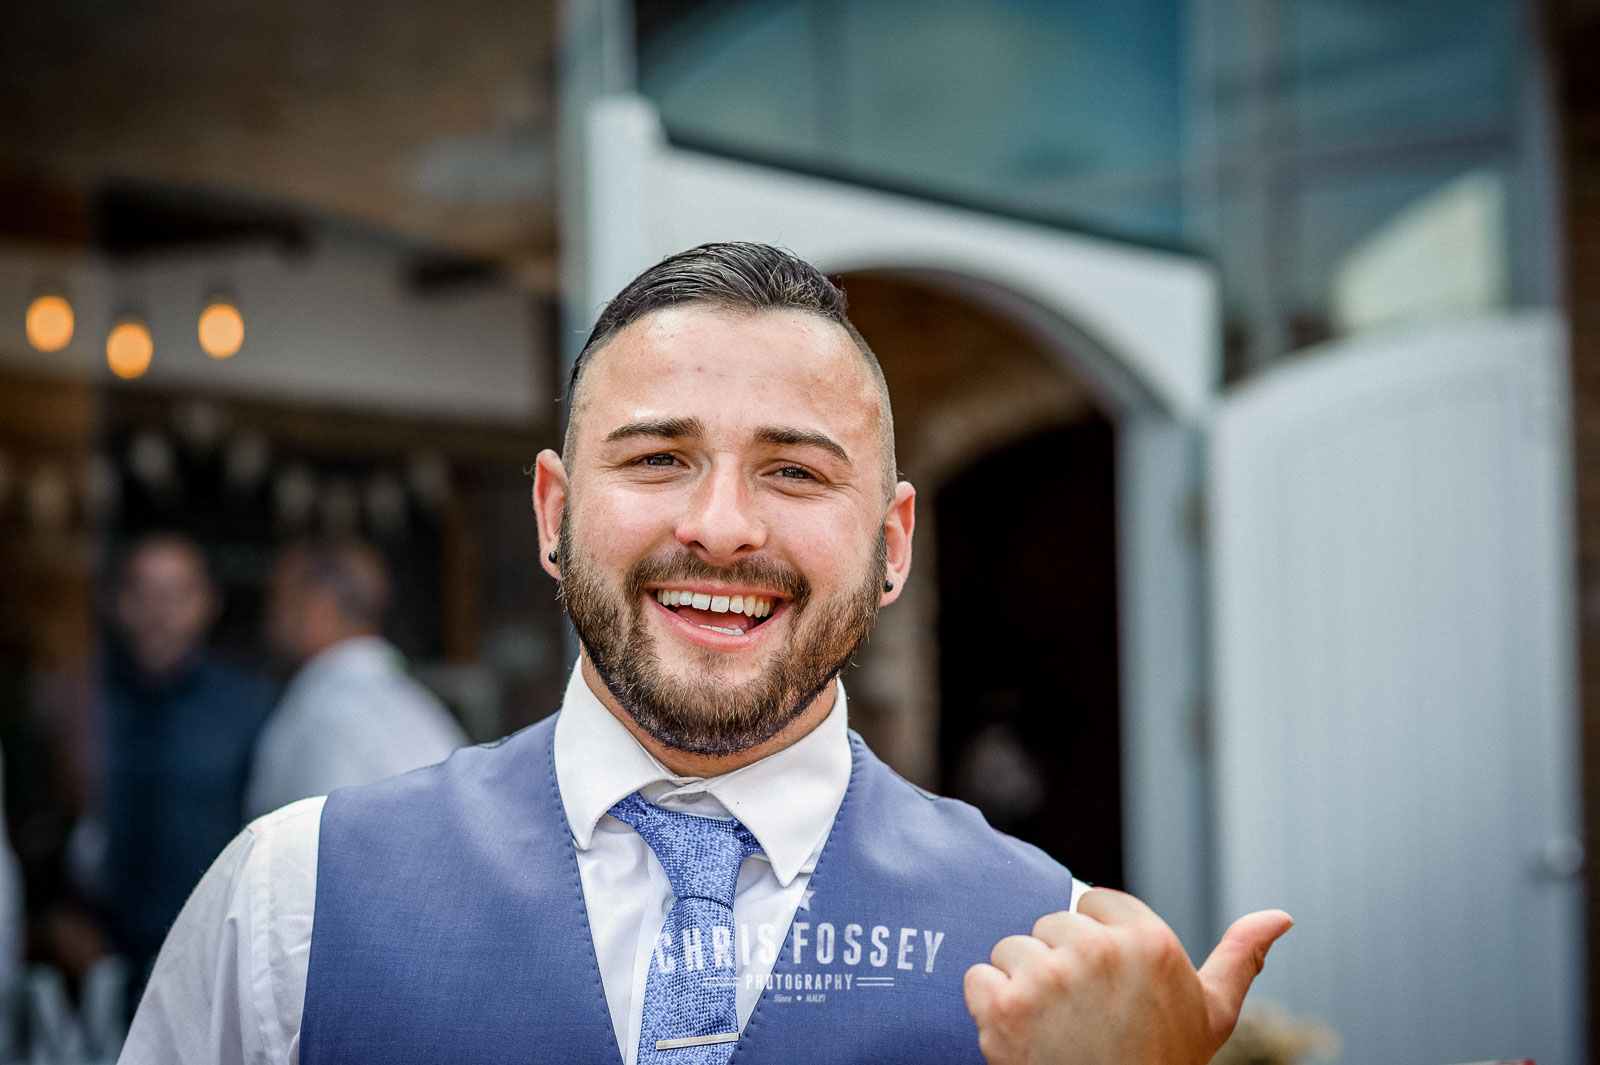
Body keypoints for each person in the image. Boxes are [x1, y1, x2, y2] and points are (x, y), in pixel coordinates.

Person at [120, 243, 1290, 1065]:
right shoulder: (290, 903)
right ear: (552, 515)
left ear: (891, 546)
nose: (721, 526)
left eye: (794, 470)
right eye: (657, 459)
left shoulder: (1056, 947)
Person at [95, 532, 275, 995]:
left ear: (208, 602)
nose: (157, 611)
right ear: (116, 601)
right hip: (93, 961)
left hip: (210, 955)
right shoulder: (81, 699)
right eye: (142, 592)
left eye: (175, 594)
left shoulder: (248, 705)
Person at [244, 538, 468, 819]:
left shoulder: (328, 714)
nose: (269, 619)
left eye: (279, 601)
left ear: (317, 611)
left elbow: (323, 841)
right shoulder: (418, 706)